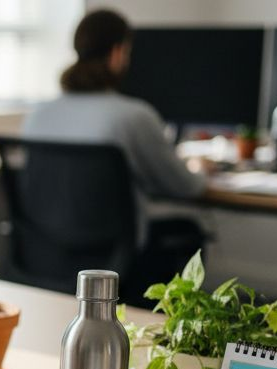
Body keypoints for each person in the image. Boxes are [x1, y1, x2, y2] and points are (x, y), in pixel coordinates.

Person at [21, 8, 210, 303]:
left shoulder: (37, 115)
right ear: (118, 53)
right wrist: (200, 168)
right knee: (188, 230)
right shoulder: (133, 116)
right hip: (115, 258)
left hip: (47, 250)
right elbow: (186, 186)